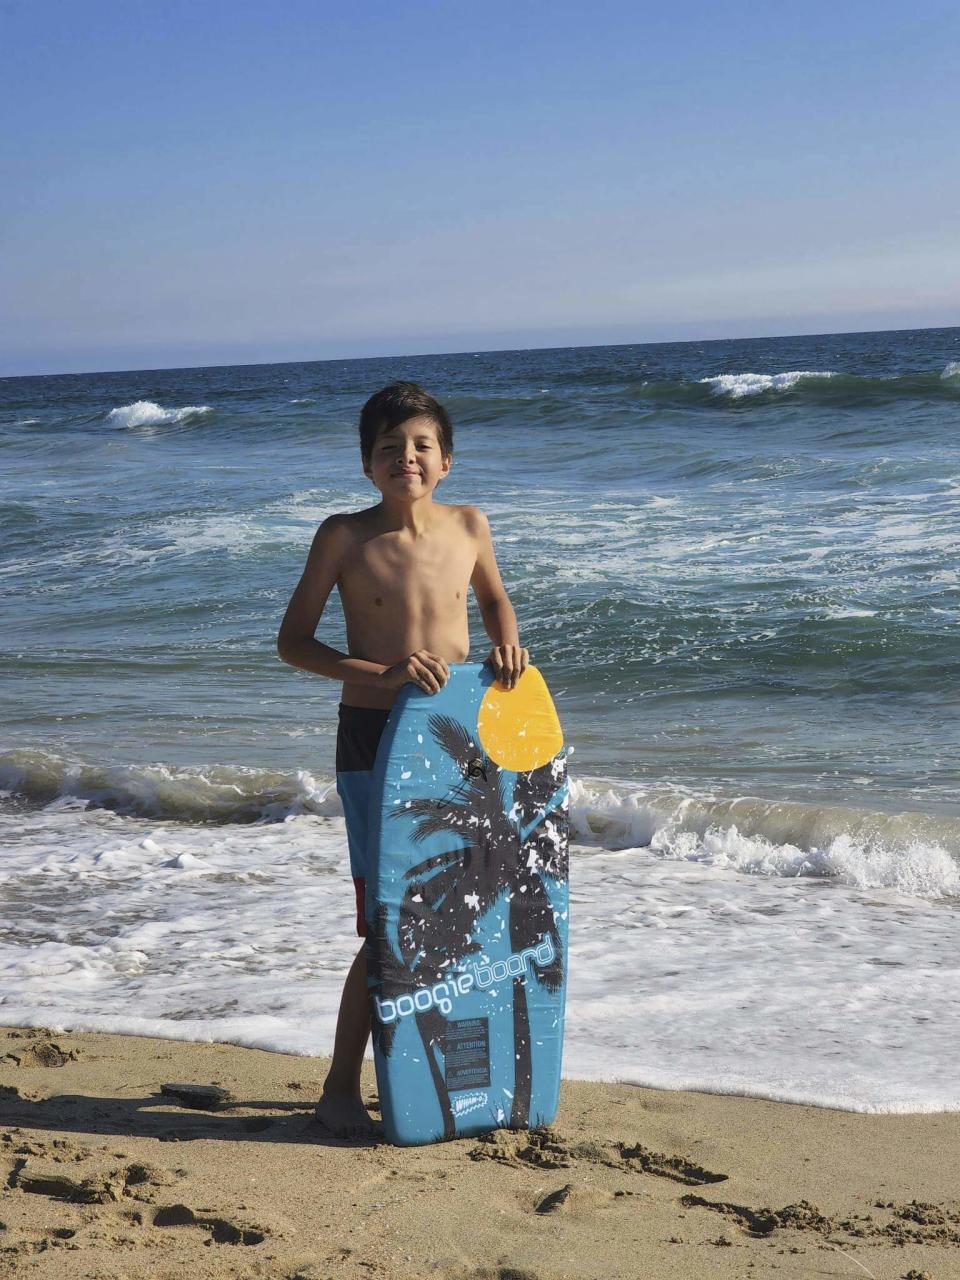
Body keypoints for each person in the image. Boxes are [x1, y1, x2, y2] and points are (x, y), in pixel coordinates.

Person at [276, 380, 529, 1138]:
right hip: (375, 741)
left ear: (446, 460)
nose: (406, 458)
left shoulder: (471, 526)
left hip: (461, 738)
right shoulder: (344, 538)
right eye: (390, 448)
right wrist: (380, 676)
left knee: (462, 913)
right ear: (367, 465)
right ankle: (338, 1088)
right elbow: (294, 643)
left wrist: (506, 643)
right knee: (390, 922)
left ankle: (437, 1068)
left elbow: (491, 602)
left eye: (421, 446)